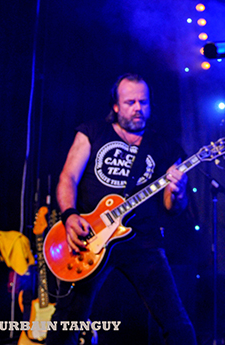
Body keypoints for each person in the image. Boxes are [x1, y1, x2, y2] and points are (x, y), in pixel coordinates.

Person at [47, 73, 197, 345]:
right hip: (89, 238)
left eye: (144, 102)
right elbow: (67, 178)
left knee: (178, 327)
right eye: (130, 102)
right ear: (115, 105)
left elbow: (172, 208)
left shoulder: (165, 146)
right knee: (66, 324)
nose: (138, 108)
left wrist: (179, 192)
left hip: (143, 240)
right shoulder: (91, 132)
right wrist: (69, 216)